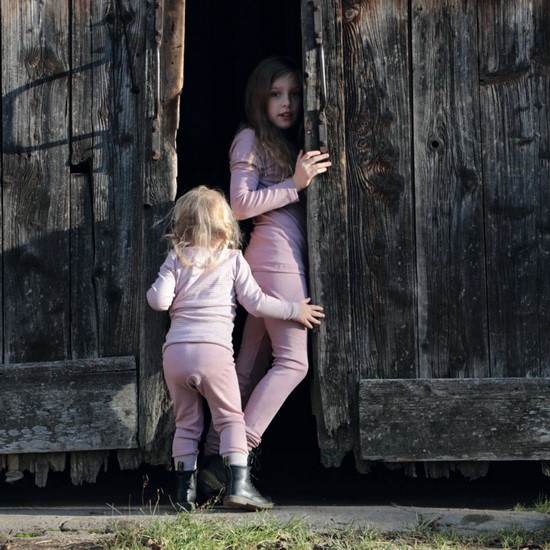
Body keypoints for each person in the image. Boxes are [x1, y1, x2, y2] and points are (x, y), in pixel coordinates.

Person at [199, 56, 331, 500]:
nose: (287, 102)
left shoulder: (279, 140)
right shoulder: (249, 138)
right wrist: (295, 183)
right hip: (274, 258)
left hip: (273, 256)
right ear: (259, 97)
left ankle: (214, 462)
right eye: (276, 94)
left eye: (294, 93)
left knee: (250, 367)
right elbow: (237, 205)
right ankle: (240, 455)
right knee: (293, 363)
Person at [146, 185, 324, 512]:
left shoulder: (176, 258)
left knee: (186, 423)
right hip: (214, 353)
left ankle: (185, 495)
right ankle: (240, 485)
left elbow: (158, 301)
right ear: (227, 226)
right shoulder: (231, 259)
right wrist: (294, 310)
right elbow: (256, 304)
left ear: (181, 226)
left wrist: (161, 284)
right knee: (230, 419)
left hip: (176, 355)